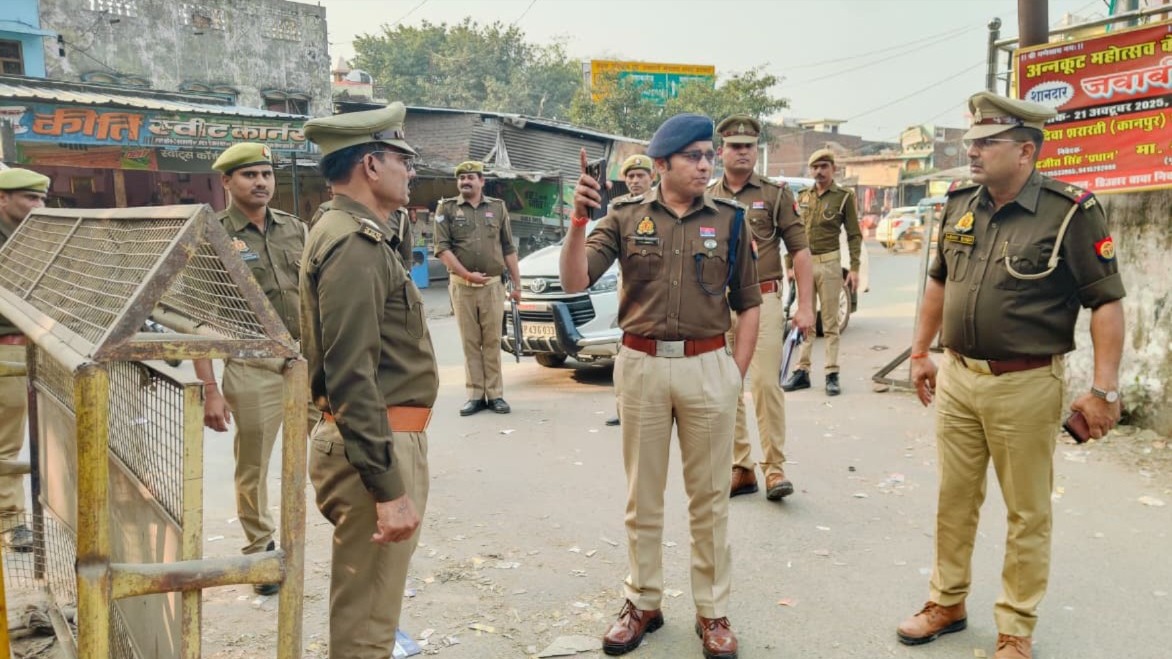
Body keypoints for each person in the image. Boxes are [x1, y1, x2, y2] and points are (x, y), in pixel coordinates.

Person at [897, 92, 1125, 659]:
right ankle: (946, 602)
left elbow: (1107, 303)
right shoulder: (959, 203)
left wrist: (1104, 390)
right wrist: (920, 351)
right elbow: (939, 283)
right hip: (959, 378)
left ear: (1025, 150)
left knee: (1027, 512)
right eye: (971, 141)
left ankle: (1015, 629)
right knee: (954, 499)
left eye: (985, 143)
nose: (971, 151)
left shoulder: (1070, 210)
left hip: (1025, 384)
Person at [561, 113, 761, 659]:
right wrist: (579, 223)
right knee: (642, 497)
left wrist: (733, 376)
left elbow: (748, 305)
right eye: (694, 156)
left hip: (707, 368)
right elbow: (575, 281)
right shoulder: (623, 217)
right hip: (642, 365)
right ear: (661, 165)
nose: (705, 164)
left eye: (708, 155)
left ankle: (712, 611)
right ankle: (642, 601)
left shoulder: (730, 220)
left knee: (710, 501)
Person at [301, 103, 438, 659]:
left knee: (370, 609)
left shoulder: (352, 231)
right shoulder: (353, 244)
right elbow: (350, 373)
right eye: (403, 158)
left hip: (376, 435)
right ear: (372, 166)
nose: (411, 170)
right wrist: (389, 490)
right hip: (375, 441)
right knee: (366, 627)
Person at [194, 143, 317, 595]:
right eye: (249, 175)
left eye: (266, 173)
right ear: (226, 182)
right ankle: (260, 548)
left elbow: (316, 294)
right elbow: (200, 316)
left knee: (322, 451)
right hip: (251, 364)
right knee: (253, 466)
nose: (261, 182)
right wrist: (210, 386)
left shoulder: (296, 229)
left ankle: (302, 536)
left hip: (304, 359)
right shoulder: (212, 235)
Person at [708, 114, 815, 501]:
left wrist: (806, 306)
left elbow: (801, 251)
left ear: (757, 151)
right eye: (734, 146)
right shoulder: (707, 197)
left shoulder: (775, 194)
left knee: (766, 381)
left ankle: (774, 467)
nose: (742, 153)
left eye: (749, 147)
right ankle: (742, 466)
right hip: (719, 302)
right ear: (721, 151)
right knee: (726, 384)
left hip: (764, 296)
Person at [434, 161, 522, 416]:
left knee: (492, 341)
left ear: (482, 181)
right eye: (461, 178)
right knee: (470, 342)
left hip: (493, 287)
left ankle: (495, 394)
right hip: (462, 287)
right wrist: (466, 274)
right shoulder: (446, 208)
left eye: (470, 177)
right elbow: (442, 248)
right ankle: (475, 395)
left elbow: (508, 248)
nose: (465, 182)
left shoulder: (497, 207)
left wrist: (517, 285)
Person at [781, 148, 862, 396]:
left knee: (829, 322)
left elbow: (854, 234)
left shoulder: (844, 197)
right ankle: (802, 371)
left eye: (824, 167)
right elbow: (792, 232)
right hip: (804, 264)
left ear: (833, 169)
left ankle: (831, 373)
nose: (819, 172)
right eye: (815, 167)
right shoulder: (803, 196)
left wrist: (855, 268)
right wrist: (789, 265)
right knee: (803, 320)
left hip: (829, 263)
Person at [0, 168, 49, 552]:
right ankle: (11, 519)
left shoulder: (37, 238)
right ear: (3, 199)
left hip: (34, 346)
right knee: (8, 440)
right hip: (7, 345)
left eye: (42, 199)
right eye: (30, 198)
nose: (39, 205)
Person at [605, 153, 657, 428]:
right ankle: (623, 407)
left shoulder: (661, 207)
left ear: (652, 177)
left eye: (641, 175)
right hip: (628, 285)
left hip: (656, 286)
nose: (635, 181)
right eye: (630, 176)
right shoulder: (618, 207)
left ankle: (652, 408)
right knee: (627, 347)